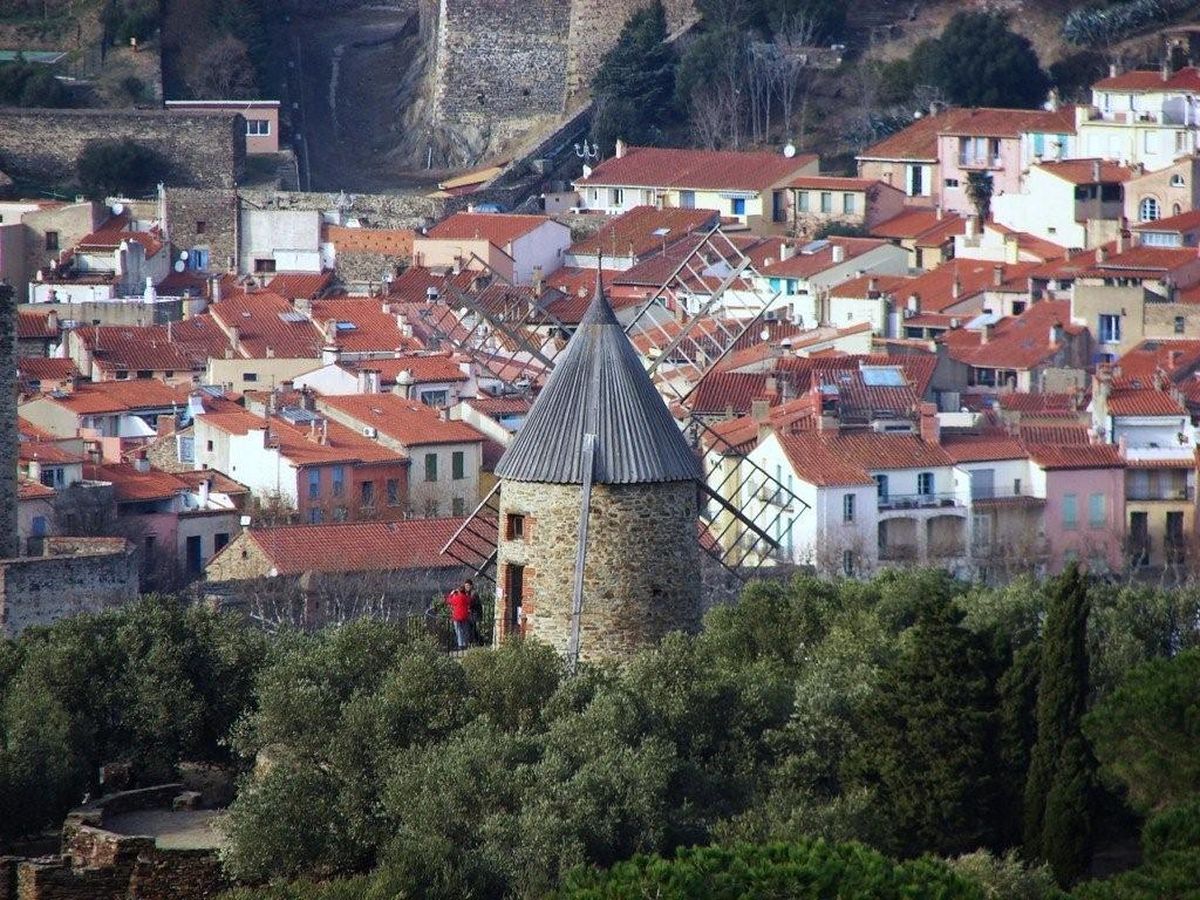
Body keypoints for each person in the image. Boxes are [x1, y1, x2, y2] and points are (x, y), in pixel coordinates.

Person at [445, 583, 472, 650]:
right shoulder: (466, 597)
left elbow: (448, 601)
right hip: (465, 616)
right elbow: (470, 601)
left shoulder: (456, 598)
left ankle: (461, 644)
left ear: (459, 591)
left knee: (458, 630)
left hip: (456, 616)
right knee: (465, 630)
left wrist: (451, 594)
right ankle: (465, 643)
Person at [464, 579, 484, 645]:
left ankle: (479, 641)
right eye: (465, 586)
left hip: (475, 613)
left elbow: (471, 602)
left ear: (471, 586)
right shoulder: (468, 593)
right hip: (471, 614)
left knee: (473, 629)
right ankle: (476, 641)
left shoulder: (474, 593)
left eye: (468, 586)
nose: (466, 587)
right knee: (471, 628)